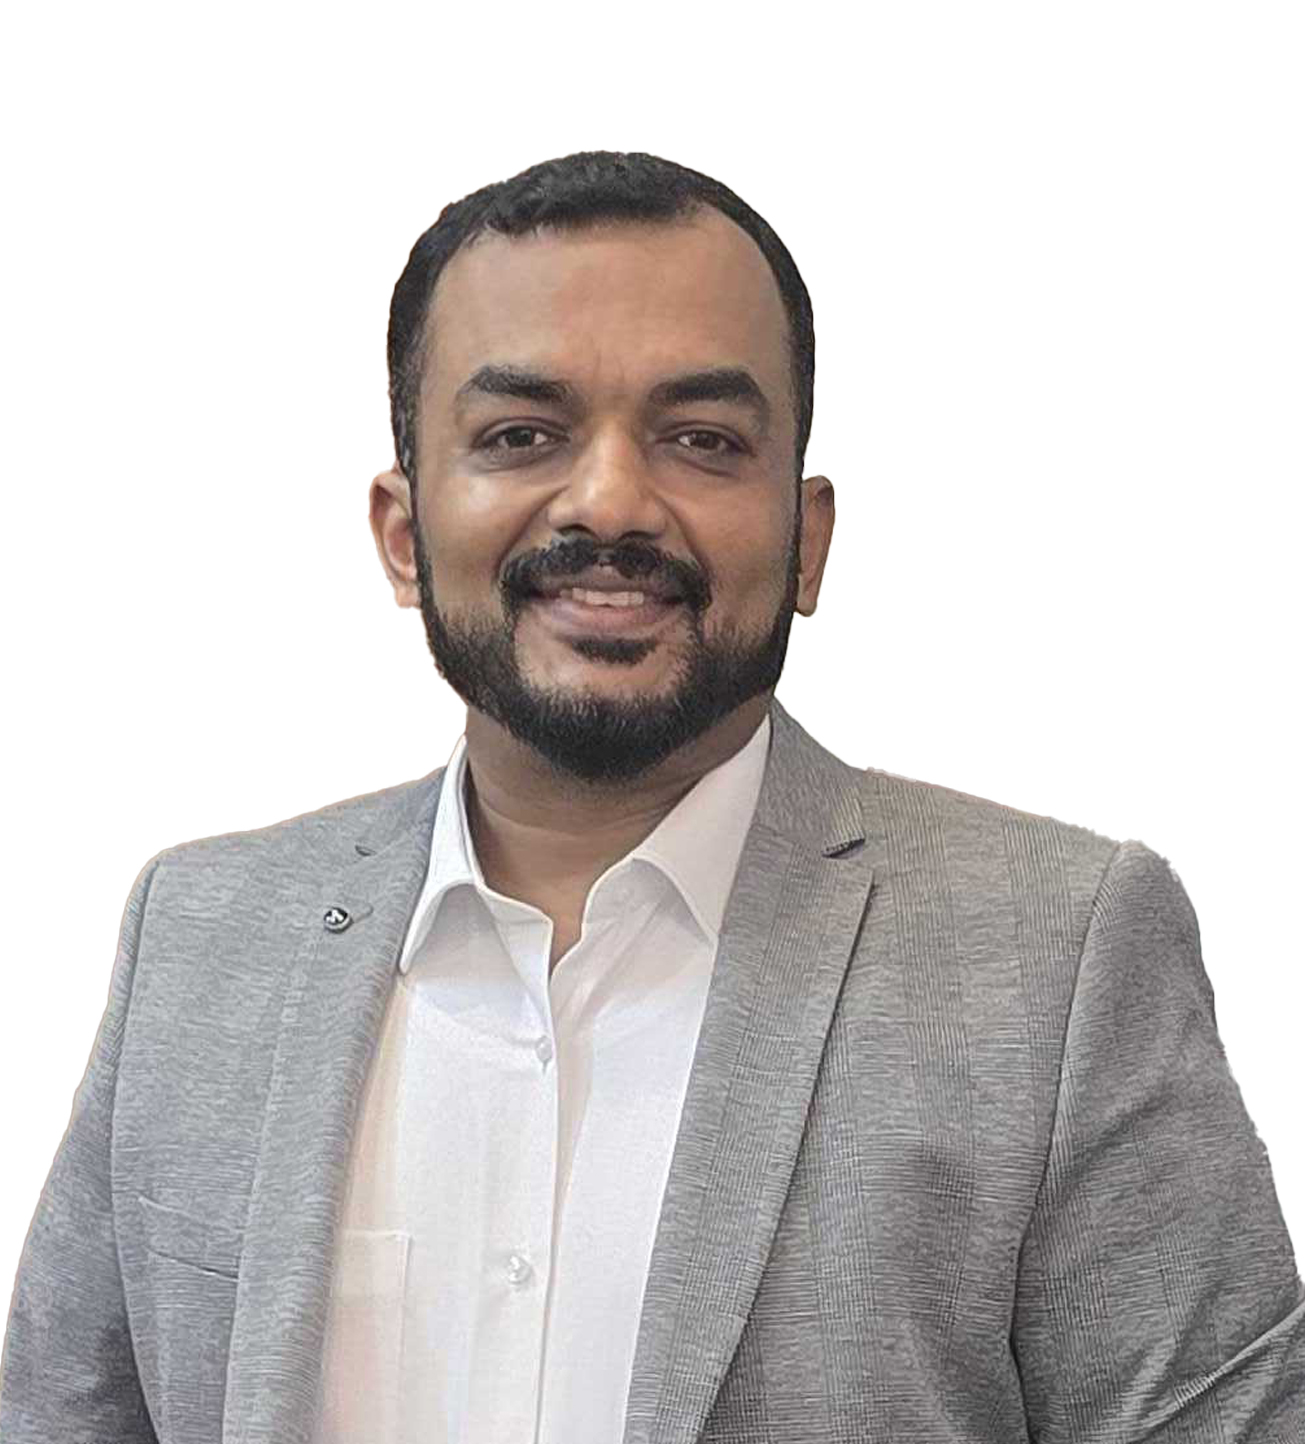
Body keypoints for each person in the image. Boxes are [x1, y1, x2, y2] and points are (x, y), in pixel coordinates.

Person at [1, 149, 1301, 1444]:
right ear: (403, 533)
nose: (612, 501)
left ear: (808, 538)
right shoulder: (201, 936)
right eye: (520, 436)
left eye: (702, 441)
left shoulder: (1059, 954)